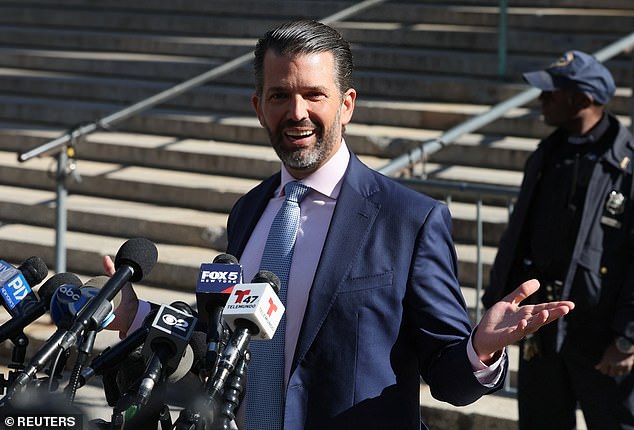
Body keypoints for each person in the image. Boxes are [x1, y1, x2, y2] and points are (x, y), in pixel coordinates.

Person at [105, 19, 574, 430]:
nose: (297, 112)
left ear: (347, 104)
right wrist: (138, 317)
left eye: (314, 94)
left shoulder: (409, 218)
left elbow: (451, 378)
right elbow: (227, 339)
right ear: (257, 107)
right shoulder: (248, 210)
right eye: (280, 96)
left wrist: (480, 349)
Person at [483, 50, 634, 430]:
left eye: (552, 93)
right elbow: (518, 236)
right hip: (543, 329)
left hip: (603, 336)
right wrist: (496, 303)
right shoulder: (546, 154)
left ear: (581, 100)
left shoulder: (626, 164)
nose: (541, 100)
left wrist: (628, 338)